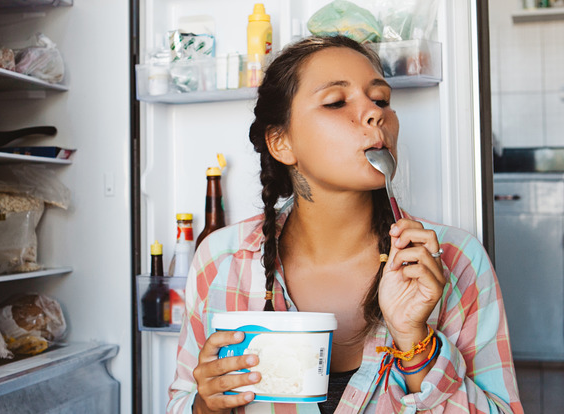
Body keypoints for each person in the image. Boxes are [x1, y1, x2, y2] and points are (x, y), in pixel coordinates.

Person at [166, 35, 522, 414]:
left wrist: (415, 342)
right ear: (281, 142)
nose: (375, 114)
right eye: (337, 102)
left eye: (381, 99)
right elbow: (184, 401)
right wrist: (206, 406)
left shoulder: (456, 259)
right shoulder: (221, 261)